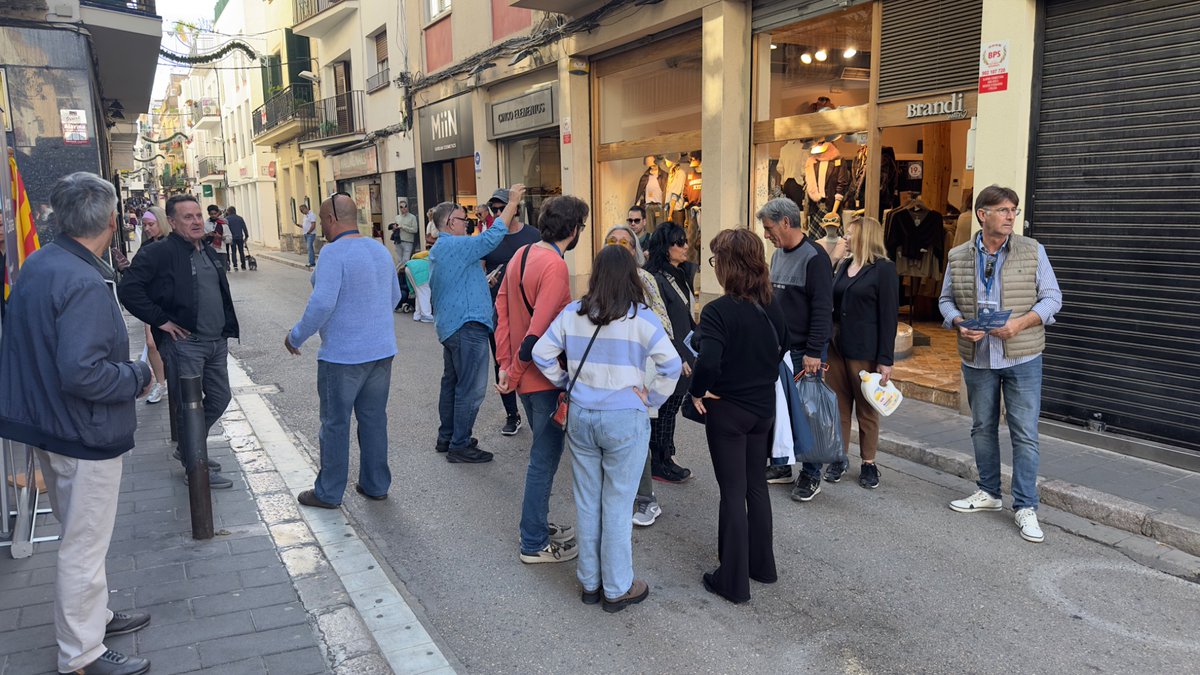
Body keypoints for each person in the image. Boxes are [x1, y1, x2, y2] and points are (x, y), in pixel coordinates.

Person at [0, 172, 154, 675]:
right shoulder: (82, 280)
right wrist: (139, 374)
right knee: (84, 545)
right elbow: (84, 373)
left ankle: (94, 618)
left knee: (79, 533)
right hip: (82, 430)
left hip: (52, 422)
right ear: (112, 220)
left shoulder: (42, 262)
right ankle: (81, 654)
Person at [533, 246, 681, 614]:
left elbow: (540, 353)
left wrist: (565, 381)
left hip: (582, 415)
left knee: (587, 501)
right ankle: (617, 586)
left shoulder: (573, 313)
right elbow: (672, 365)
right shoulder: (642, 318)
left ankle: (589, 582)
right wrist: (651, 399)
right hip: (624, 419)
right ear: (631, 276)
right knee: (617, 504)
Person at [939, 185, 1062, 543]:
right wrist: (959, 322)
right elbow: (945, 300)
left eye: (1014, 210)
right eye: (1004, 210)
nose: (1011, 217)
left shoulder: (1032, 250)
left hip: (1023, 356)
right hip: (978, 357)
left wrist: (1020, 324)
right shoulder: (958, 255)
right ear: (983, 214)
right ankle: (989, 492)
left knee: (1024, 433)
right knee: (982, 427)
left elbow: (1053, 298)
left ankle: (1025, 506)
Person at [285, 193, 401, 509]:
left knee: (335, 424)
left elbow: (322, 303)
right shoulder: (379, 249)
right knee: (374, 420)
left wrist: (296, 337)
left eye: (323, 220)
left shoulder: (333, 253)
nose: (323, 226)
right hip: (381, 352)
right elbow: (393, 296)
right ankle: (376, 484)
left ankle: (328, 492)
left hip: (343, 356)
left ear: (331, 219)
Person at [688, 228, 785, 604]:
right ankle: (762, 566)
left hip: (729, 409)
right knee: (755, 486)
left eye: (716, 260)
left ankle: (732, 581)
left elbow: (709, 361)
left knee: (732, 492)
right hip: (763, 407)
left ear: (728, 265)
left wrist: (698, 389)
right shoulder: (771, 303)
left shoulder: (718, 311)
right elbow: (784, 346)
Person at [118, 194, 240, 489]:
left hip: (216, 342)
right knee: (189, 406)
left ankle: (188, 448)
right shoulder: (159, 252)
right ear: (172, 222)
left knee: (220, 398)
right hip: (186, 344)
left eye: (198, 215)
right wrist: (161, 320)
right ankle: (194, 467)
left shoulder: (207, 248)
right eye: (188, 217)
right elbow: (129, 289)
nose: (196, 221)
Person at [495, 195, 587, 564]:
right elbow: (537, 335)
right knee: (543, 460)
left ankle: (536, 524)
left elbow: (502, 311)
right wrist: (514, 371)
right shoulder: (555, 266)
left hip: (523, 378)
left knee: (542, 458)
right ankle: (532, 542)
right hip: (544, 379)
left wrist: (505, 366)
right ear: (574, 229)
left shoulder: (521, 254)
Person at [428, 185, 524, 463]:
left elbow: (455, 283)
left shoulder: (443, 249)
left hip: (453, 326)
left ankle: (448, 437)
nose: (467, 224)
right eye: (463, 220)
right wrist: (512, 203)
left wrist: (482, 283)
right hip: (467, 326)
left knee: (453, 384)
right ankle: (459, 445)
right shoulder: (454, 244)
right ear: (450, 222)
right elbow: (492, 237)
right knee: (470, 389)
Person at [757, 197, 835, 502]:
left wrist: (814, 351)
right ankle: (783, 464)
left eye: (769, 228)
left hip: (805, 352)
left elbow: (822, 309)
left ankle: (812, 474)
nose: (766, 235)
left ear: (786, 222)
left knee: (809, 414)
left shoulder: (815, 258)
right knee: (781, 410)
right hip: (781, 349)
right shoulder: (778, 255)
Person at [601, 225, 672, 527]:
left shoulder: (643, 278)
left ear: (635, 249)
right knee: (611, 432)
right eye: (612, 241)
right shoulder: (600, 279)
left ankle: (646, 499)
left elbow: (663, 321)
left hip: (638, 367)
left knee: (636, 432)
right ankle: (621, 493)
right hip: (607, 369)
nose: (618, 246)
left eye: (625, 242)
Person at [828, 214, 898, 489]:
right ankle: (839, 457)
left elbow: (889, 316)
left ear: (864, 237)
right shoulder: (844, 264)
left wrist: (885, 359)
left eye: (849, 233)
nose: (844, 237)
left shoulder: (883, 269)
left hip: (865, 349)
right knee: (839, 406)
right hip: (835, 346)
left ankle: (868, 463)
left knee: (867, 407)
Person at [484, 188, 541, 437]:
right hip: (498, 310)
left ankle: (539, 411)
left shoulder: (533, 235)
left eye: (502, 208)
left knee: (534, 356)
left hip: (530, 308)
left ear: (515, 208)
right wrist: (485, 280)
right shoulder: (489, 238)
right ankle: (511, 414)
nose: (498, 213)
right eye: (494, 209)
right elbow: (479, 269)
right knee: (502, 360)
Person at [643, 223, 697, 484]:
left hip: (685, 349)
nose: (685, 246)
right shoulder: (654, 279)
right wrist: (678, 355)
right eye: (679, 242)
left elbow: (685, 314)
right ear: (665, 247)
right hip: (667, 354)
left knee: (671, 407)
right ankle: (659, 461)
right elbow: (658, 322)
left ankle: (667, 456)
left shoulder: (679, 274)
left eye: (685, 241)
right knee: (663, 408)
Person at [136, 206, 171, 405]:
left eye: (151, 224)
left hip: (172, 303)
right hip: (150, 304)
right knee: (151, 343)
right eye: (145, 225)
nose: (147, 228)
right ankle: (161, 383)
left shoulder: (174, 243)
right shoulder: (145, 247)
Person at [388, 198, 420, 265]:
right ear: (399, 208)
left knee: (406, 260)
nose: (404, 208)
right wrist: (394, 228)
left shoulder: (412, 217)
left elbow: (415, 230)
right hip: (398, 241)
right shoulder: (397, 217)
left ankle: (404, 271)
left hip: (408, 241)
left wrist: (403, 227)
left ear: (407, 207)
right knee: (399, 261)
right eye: (401, 207)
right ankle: (400, 271)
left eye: (405, 206)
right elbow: (395, 230)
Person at [405, 251, 434, 322]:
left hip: (410, 267)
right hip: (420, 270)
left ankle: (417, 315)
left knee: (419, 293)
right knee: (425, 292)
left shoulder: (429, 255)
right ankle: (426, 315)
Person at [224, 206, 249, 271]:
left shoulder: (226, 219)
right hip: (240, 237)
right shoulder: (240, 218)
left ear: (228, 212)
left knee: (233, 251)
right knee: (241, 251)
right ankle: (243, 265)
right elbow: (244, 228)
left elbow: (226, 229)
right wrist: (246, 236)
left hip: (232, 238)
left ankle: (235, 265)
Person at [206, 204, 229, 270]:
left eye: (215, 214)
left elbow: (229, 239)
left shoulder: (223, 224)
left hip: (221, 251)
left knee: (223, 271)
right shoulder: (205, 225)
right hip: (210, 251)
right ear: (209, 214)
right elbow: (201, 238)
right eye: (211, 214)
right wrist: (208, 235)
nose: (213, 215)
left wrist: (221, 237)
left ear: (218, 213)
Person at [298, 203, 318, 268]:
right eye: (300, 211)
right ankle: (311, 261)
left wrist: (309, 232)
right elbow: (305, 225)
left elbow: (313, 225)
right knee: (309, 248)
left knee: (309, 247)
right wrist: (300, 226)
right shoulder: (305, 216)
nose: (301, 212)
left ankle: (311, 262)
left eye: (302, 210)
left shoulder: (311, 215)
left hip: (310, 234)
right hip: (306, 234)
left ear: (305, 208)